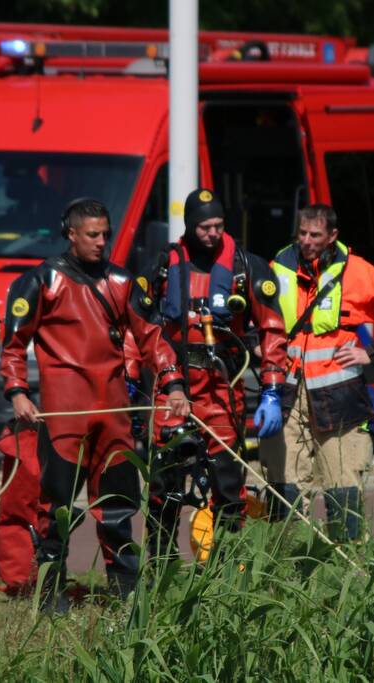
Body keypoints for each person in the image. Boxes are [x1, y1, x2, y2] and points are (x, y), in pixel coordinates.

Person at [0, 198, 190, 609]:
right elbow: (13, 345)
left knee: (119, 506)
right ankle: (51, 594)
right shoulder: (41, 282)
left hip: (113, 413)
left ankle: (125, 592)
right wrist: (17, 392)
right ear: (71, 234)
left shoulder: (121, 283)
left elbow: (153, 337)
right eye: (92, 235)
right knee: (57, 509)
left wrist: (173, 384)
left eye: (105, 234)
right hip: (64, 412)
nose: (102, 242)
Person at [260, 204, 374, 541]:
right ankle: (285, 566)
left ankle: (345, 568)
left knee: (342, 486)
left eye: (315, 235)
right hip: (289, 394)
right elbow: (260, 320)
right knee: (282, 485)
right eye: (302, 233)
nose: (306, 241)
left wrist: (371, 353)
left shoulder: (357, 272)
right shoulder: (279, 266)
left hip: (340, 399)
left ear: (333, 236)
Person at [141, 188, 288, 558]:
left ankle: (226, 570)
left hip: (222, 388)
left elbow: (272, 331)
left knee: (227, 484)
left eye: (218, 226)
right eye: (205, 226)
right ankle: (161, 565)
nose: (212, 233)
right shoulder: (162, 265)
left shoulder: (247, 267)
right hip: (173, 388)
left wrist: (271, 390)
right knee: (164, 485)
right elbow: (140, 327)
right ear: (190, 225)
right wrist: (134, 380)